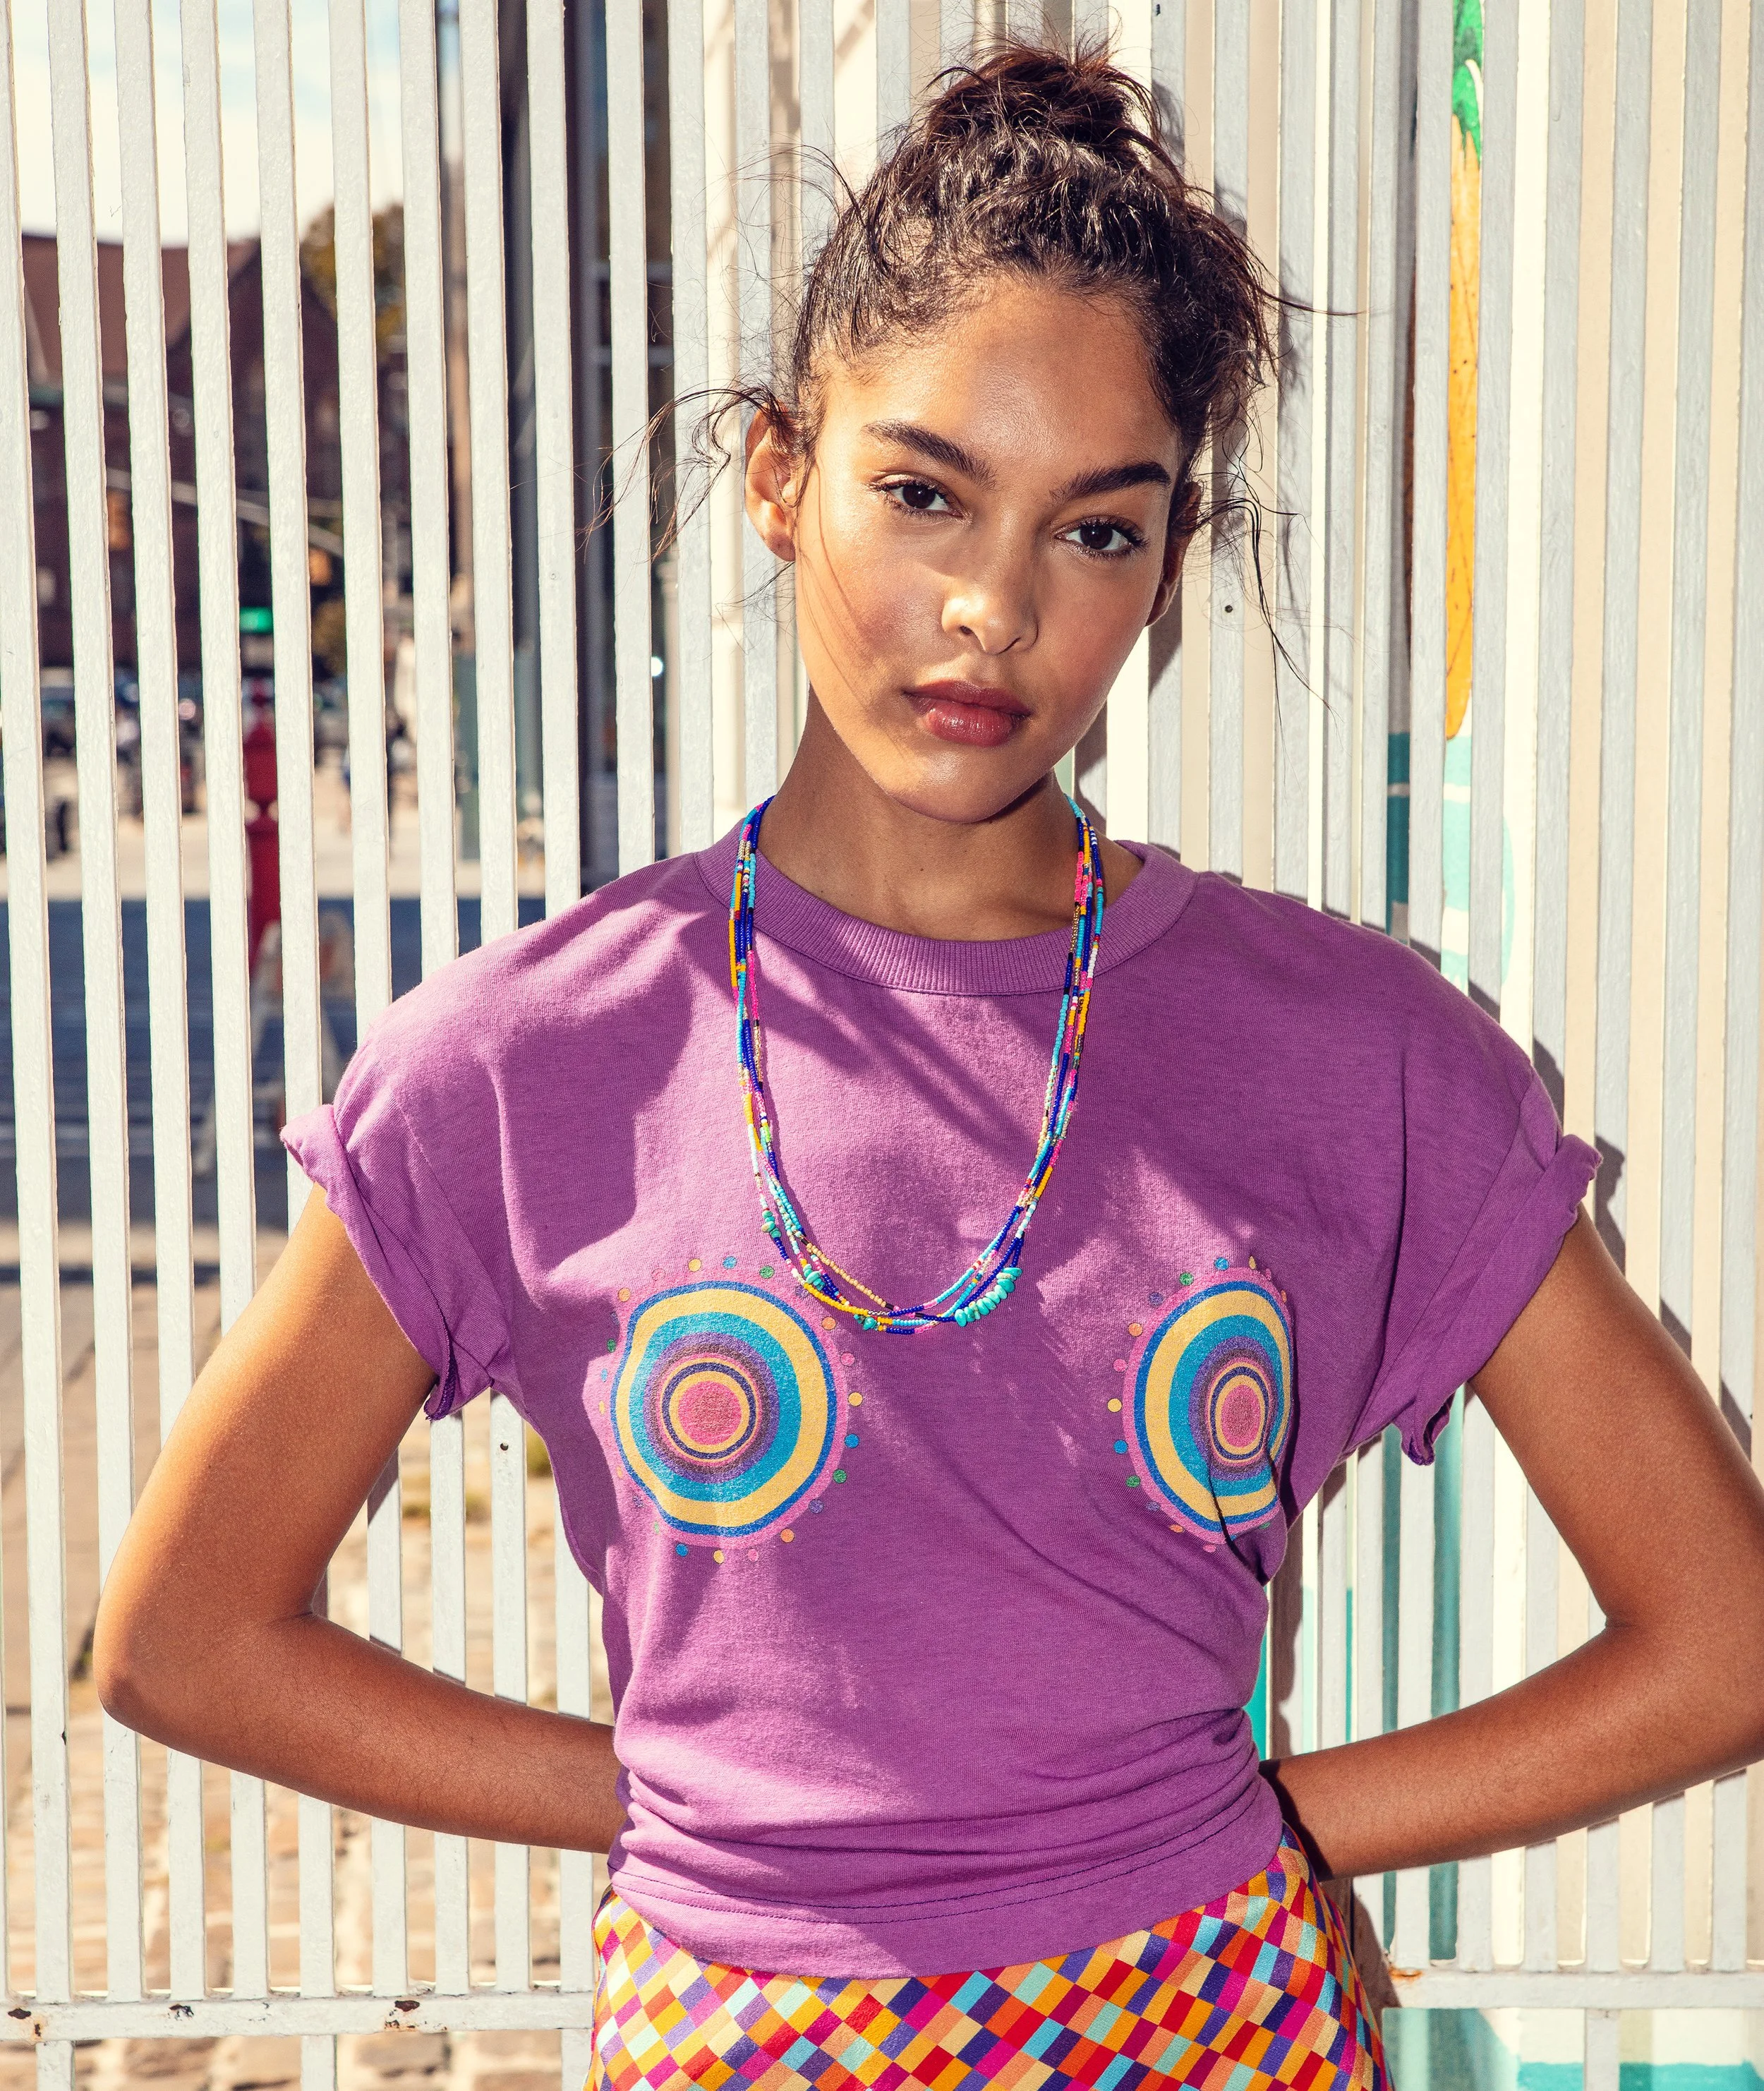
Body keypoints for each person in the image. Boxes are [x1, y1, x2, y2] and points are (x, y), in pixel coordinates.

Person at [95, 43, 1764, 2091]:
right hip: (732, 2037)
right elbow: (188, 1641)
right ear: (781, 473)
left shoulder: (1352, 1051)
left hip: (1210, 2026)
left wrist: (1243, 1840)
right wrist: (701, 1808)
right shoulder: (533, 1063)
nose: (989, 612)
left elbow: (1719, 1640)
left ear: (1170, 559)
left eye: (1096, 532)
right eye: (920, 493)